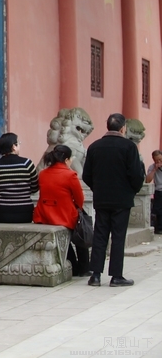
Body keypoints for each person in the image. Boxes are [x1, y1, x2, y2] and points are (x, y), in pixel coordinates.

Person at [83, 113, 145, 287]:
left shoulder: (94, 147)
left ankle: (95, 275)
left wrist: (99, 188)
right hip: (122, 199)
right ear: (123, 127)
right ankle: (116, 276)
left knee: (100, 235)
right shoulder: (129, 147)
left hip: (102, 198)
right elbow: (136, 174)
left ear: (107, 126)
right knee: (118, 236)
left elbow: (87, 175)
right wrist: (131, 191)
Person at [32, 145, 90, 276]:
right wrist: (77, 208)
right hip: (64, 215)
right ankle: (83, 267)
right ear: (67, 159)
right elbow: (79, 198)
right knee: (81, 234)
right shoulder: (70, 175)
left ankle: (73, 264)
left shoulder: (43, 173)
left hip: (44, 215)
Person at [0, 133, 39, 223]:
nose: (19, 145)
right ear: (13, 147)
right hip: (24, 213)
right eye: (18, 143)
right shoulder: (27, 163)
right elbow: (35, 187)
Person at [145, 150, 162, 234]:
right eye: (156, 160)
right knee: (158, 210)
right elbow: (147, 180)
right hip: (159, 191)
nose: (159, 162)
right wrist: (155, 169)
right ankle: (159, 228)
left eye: (160, 160)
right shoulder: (152, 167)